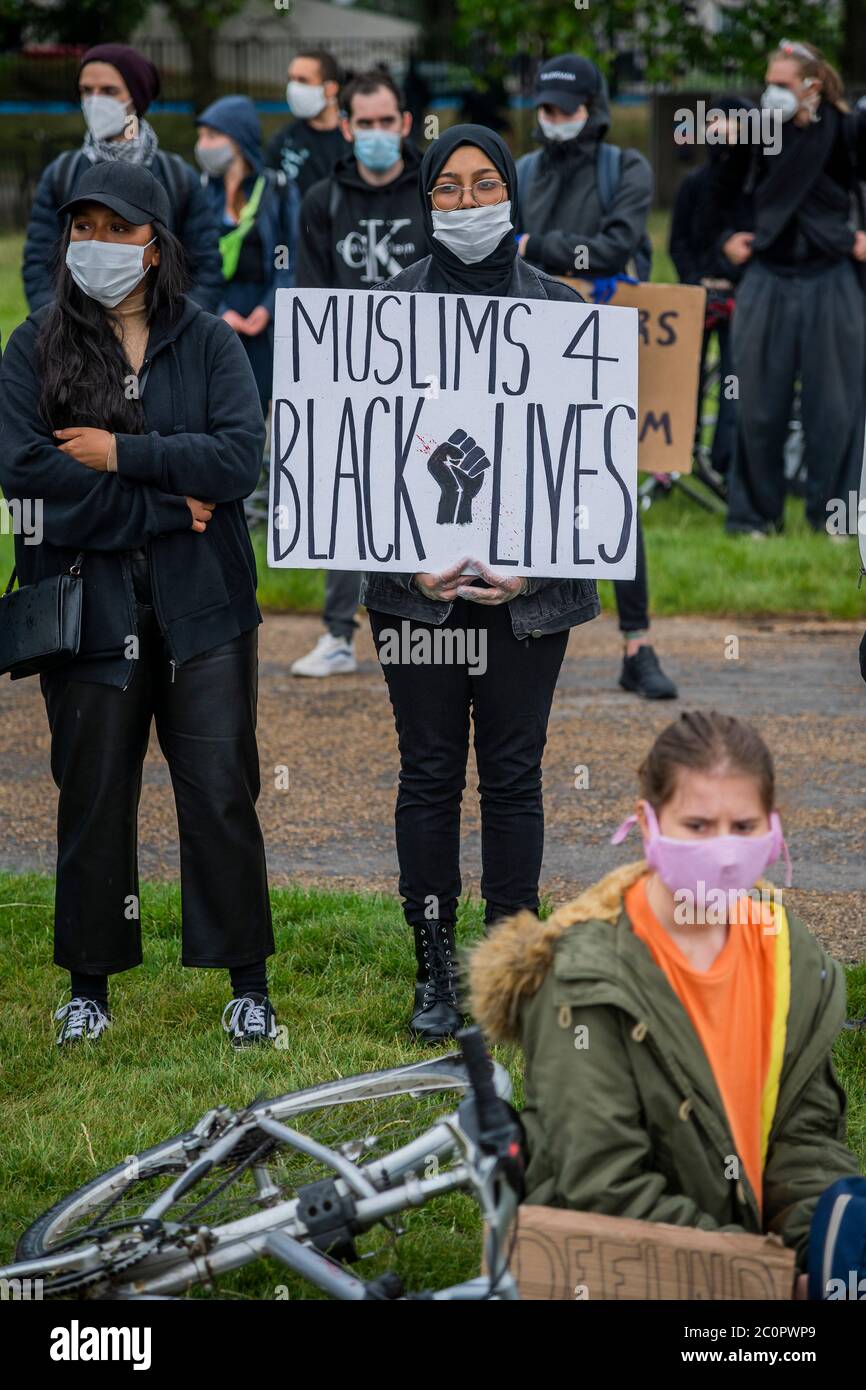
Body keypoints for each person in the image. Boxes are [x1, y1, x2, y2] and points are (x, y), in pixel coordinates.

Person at [0, 163, 277, 1050]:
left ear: (154, 243)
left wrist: (121, 456)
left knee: (220, 791)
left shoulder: (208, 342)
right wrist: (163, 501)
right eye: (82, 228)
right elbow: (28, 477)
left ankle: (247, 986)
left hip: (205, 609)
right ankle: (89, 986)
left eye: (117, 230)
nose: (98, 247)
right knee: (91, 790)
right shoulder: (33, 346)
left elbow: (238, 460)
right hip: (85, 610)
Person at [360, 125, 601, 1042]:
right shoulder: (383, 317)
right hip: (415, 596)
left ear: (513, 193)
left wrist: (536, 562)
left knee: (512, 777)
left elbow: (590, 476)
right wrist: (405, 566)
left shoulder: (562, 311)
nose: (466, 202)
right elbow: (358, 471)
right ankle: (431, 973)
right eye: (448, 188)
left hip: (525, 602)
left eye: (484, 183)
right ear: (427, 204)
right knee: (427, 775)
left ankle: (507, 973)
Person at [469, 710, 862, 1272]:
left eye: (744, 827)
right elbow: (606, 1185)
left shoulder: (790, 955)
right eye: (697, 826)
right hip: (617, 1271)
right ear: (647, 824)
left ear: (773, 827)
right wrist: (760, 1276)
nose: (724, 852)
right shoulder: (582, 980)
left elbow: (806, 1140)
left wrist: (815, 1254)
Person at [515, 54, 677, 700]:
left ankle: (637, 644)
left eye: (565, 110)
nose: (553, 122)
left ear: (594, 109)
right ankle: (522, 641)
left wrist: (534, 247)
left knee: (612, 492)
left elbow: (614, 247)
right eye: (545, 111)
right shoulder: (524, 169)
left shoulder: (626, 167)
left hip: (601, 344)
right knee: (526, 487)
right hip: (528, 349)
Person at [291, 69, 428, 678]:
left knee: (435, 491)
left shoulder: (432, 188)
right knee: (348, 496)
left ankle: (431, 629)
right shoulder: (323, 201)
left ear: (404, 123)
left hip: (431, 367)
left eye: (386, 122)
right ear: (346, 127)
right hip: (352, 370)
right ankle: (338, 633)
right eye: (363, 123)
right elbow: (312, 294)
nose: (376, 133)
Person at [701, 40, 866, 537]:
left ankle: (832, 520)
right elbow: (717, 196)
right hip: (766, 278)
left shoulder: (845, 131)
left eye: (781, 85)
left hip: (831, 278)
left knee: (835, 407)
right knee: (757, 403)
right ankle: (754, 517)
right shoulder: (757, 134)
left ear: (812, 88)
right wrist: (726, 240)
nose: (770, 93)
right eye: (768, 84)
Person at [22, 43, 222, 315]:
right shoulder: (63, 173)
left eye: (109, 91)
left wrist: (179, 329)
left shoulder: (178, 177)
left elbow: (204, 264)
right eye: (86, 91)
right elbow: (39, 262)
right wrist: (61, 324)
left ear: (136, 98)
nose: (94, 100)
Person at [195, 95, 300, 415]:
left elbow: (289, 255)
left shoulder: (277, 190)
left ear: (239, 142)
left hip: (262, 324)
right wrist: (218, 311)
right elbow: (190, 262)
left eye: (213, 136)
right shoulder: (197, 190)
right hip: (213, 316)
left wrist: (270, 308)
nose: (203, 145)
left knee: (259, 408)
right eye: (201, 136)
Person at [669, 95, 754, 479]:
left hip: (740, 298)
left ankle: (727, 461)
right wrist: (695, 283)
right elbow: (679, 242)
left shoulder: (754, 187)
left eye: (730, 126)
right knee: (685, 381)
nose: (721, 133)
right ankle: (677, 457)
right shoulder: (692, 185)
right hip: (695, 298)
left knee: (735, 382)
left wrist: (729, 277)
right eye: (714, 124)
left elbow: (750, 246)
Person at [264, 48, 346, 197]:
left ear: (331, 89)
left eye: (303, 80)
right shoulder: (284, 140)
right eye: (291, 79)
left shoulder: (353, 139)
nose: (294, 88)